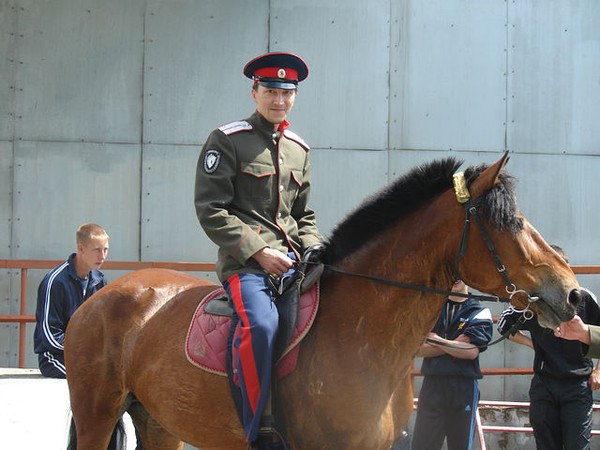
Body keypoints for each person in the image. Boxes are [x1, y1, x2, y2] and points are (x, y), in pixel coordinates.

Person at [194, 52, 323, 448]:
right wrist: (258, 252)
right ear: (254, 92)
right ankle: (256, 431)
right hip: (246, 266)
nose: (278, 100)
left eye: (287, 93)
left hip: (292, 264)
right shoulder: (227, 139)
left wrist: (316, 247)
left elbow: (304, 215)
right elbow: (210, 209)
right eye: (270, 91)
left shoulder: (299, 149)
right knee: (262, 326)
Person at [497, 245, 600, 450]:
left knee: (577, 446)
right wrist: (531, 343)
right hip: (545, 384)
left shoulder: (585, 299)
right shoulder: (533, 302)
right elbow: (504, 326)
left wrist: (598, 371)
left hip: (577, 384)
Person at [411, 280, 493, 450]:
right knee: (423, 445)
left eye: (459, 274)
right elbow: (417, 350)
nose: (455, 278)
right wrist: (454, 344)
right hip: (432, 385)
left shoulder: (479, 311)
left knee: (460, 445)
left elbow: (470, 351)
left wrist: (436, 340)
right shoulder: (431, 309)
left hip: (463, 387)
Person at [33, 223, 109, 378]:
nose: (102, 256)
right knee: (93, 378)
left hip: (89, 355)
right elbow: (50, 336)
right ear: (80, 248)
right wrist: (85, 348)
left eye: (105, 250)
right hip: (55, 357)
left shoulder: (100, 281)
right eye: (96, 250)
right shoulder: (55, 281)